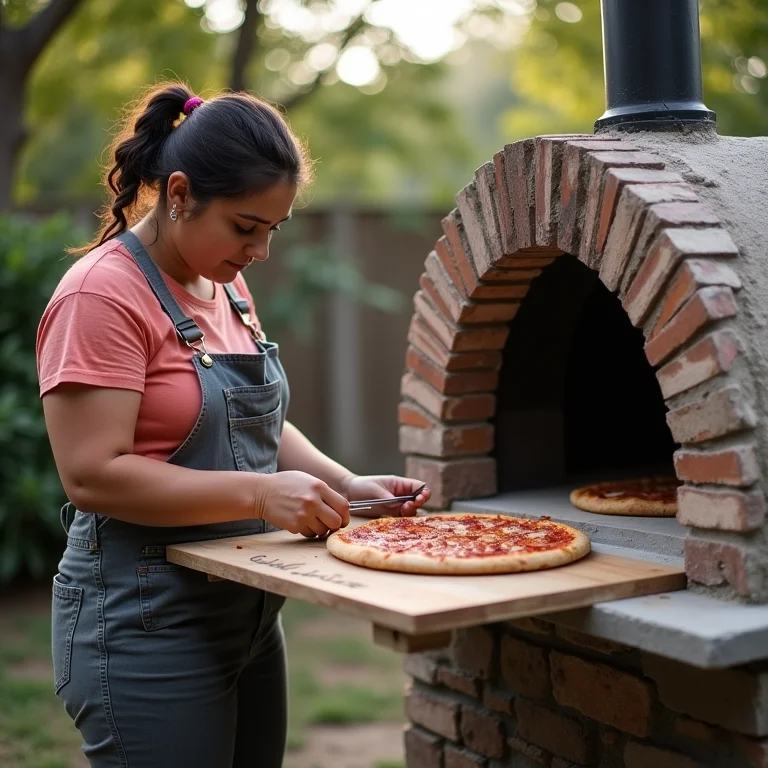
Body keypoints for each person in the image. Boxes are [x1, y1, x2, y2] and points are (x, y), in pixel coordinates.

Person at [37, 82, 430, 768]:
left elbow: (258, 418)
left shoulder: (224, 285)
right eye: (246, 228)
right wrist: (258, 494)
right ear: (181, 193)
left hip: (246, 611)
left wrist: (346, 484)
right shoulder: (101, 296)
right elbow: (91, 474)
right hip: (144, 619)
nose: (261, 252)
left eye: (272, 230)